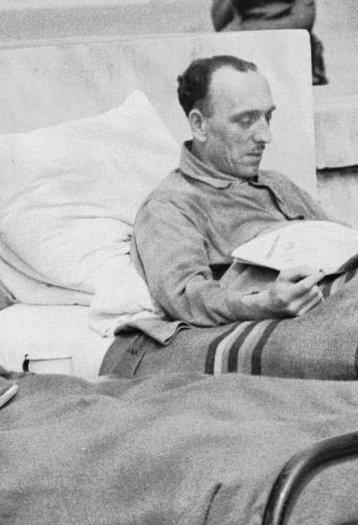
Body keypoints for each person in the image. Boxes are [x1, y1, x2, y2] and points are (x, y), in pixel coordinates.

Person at [129, 54, 335, 327]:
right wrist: (265, 302)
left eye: (267, 117)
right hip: (291, 321)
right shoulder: (171, 206)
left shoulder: (279, 184)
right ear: (199, 125)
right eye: (246, 120)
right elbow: (185, 296)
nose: (265, 136)